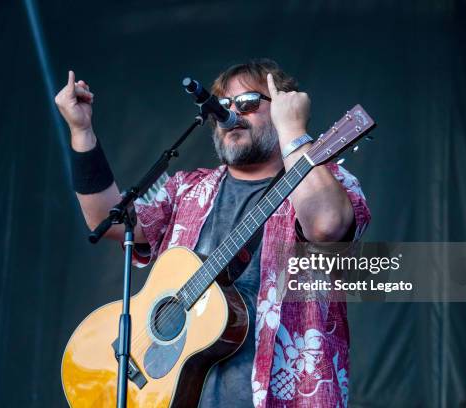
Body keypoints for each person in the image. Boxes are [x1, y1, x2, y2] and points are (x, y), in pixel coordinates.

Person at [55, 58, 370, 407]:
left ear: (282, 106)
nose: (231, 113)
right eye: (222, 106)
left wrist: (294, 132)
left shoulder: (327, 183)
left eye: (248, 103)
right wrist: (82, 131)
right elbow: (108, 219)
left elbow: (326, 225)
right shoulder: (186, 190)